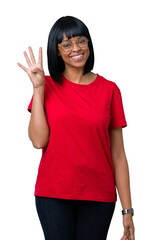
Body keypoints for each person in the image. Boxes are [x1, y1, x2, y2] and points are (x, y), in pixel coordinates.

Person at [17, 16, 135, 240]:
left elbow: (118, 155)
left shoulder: (110, 90)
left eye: (81, 41)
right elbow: (38, 141)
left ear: (89, 44)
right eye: (67, 44)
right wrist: (38, 88)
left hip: (99, 196)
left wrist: (127, 211)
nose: (76, 49)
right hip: (53, 193)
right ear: (57, 50)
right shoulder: (47, 85)